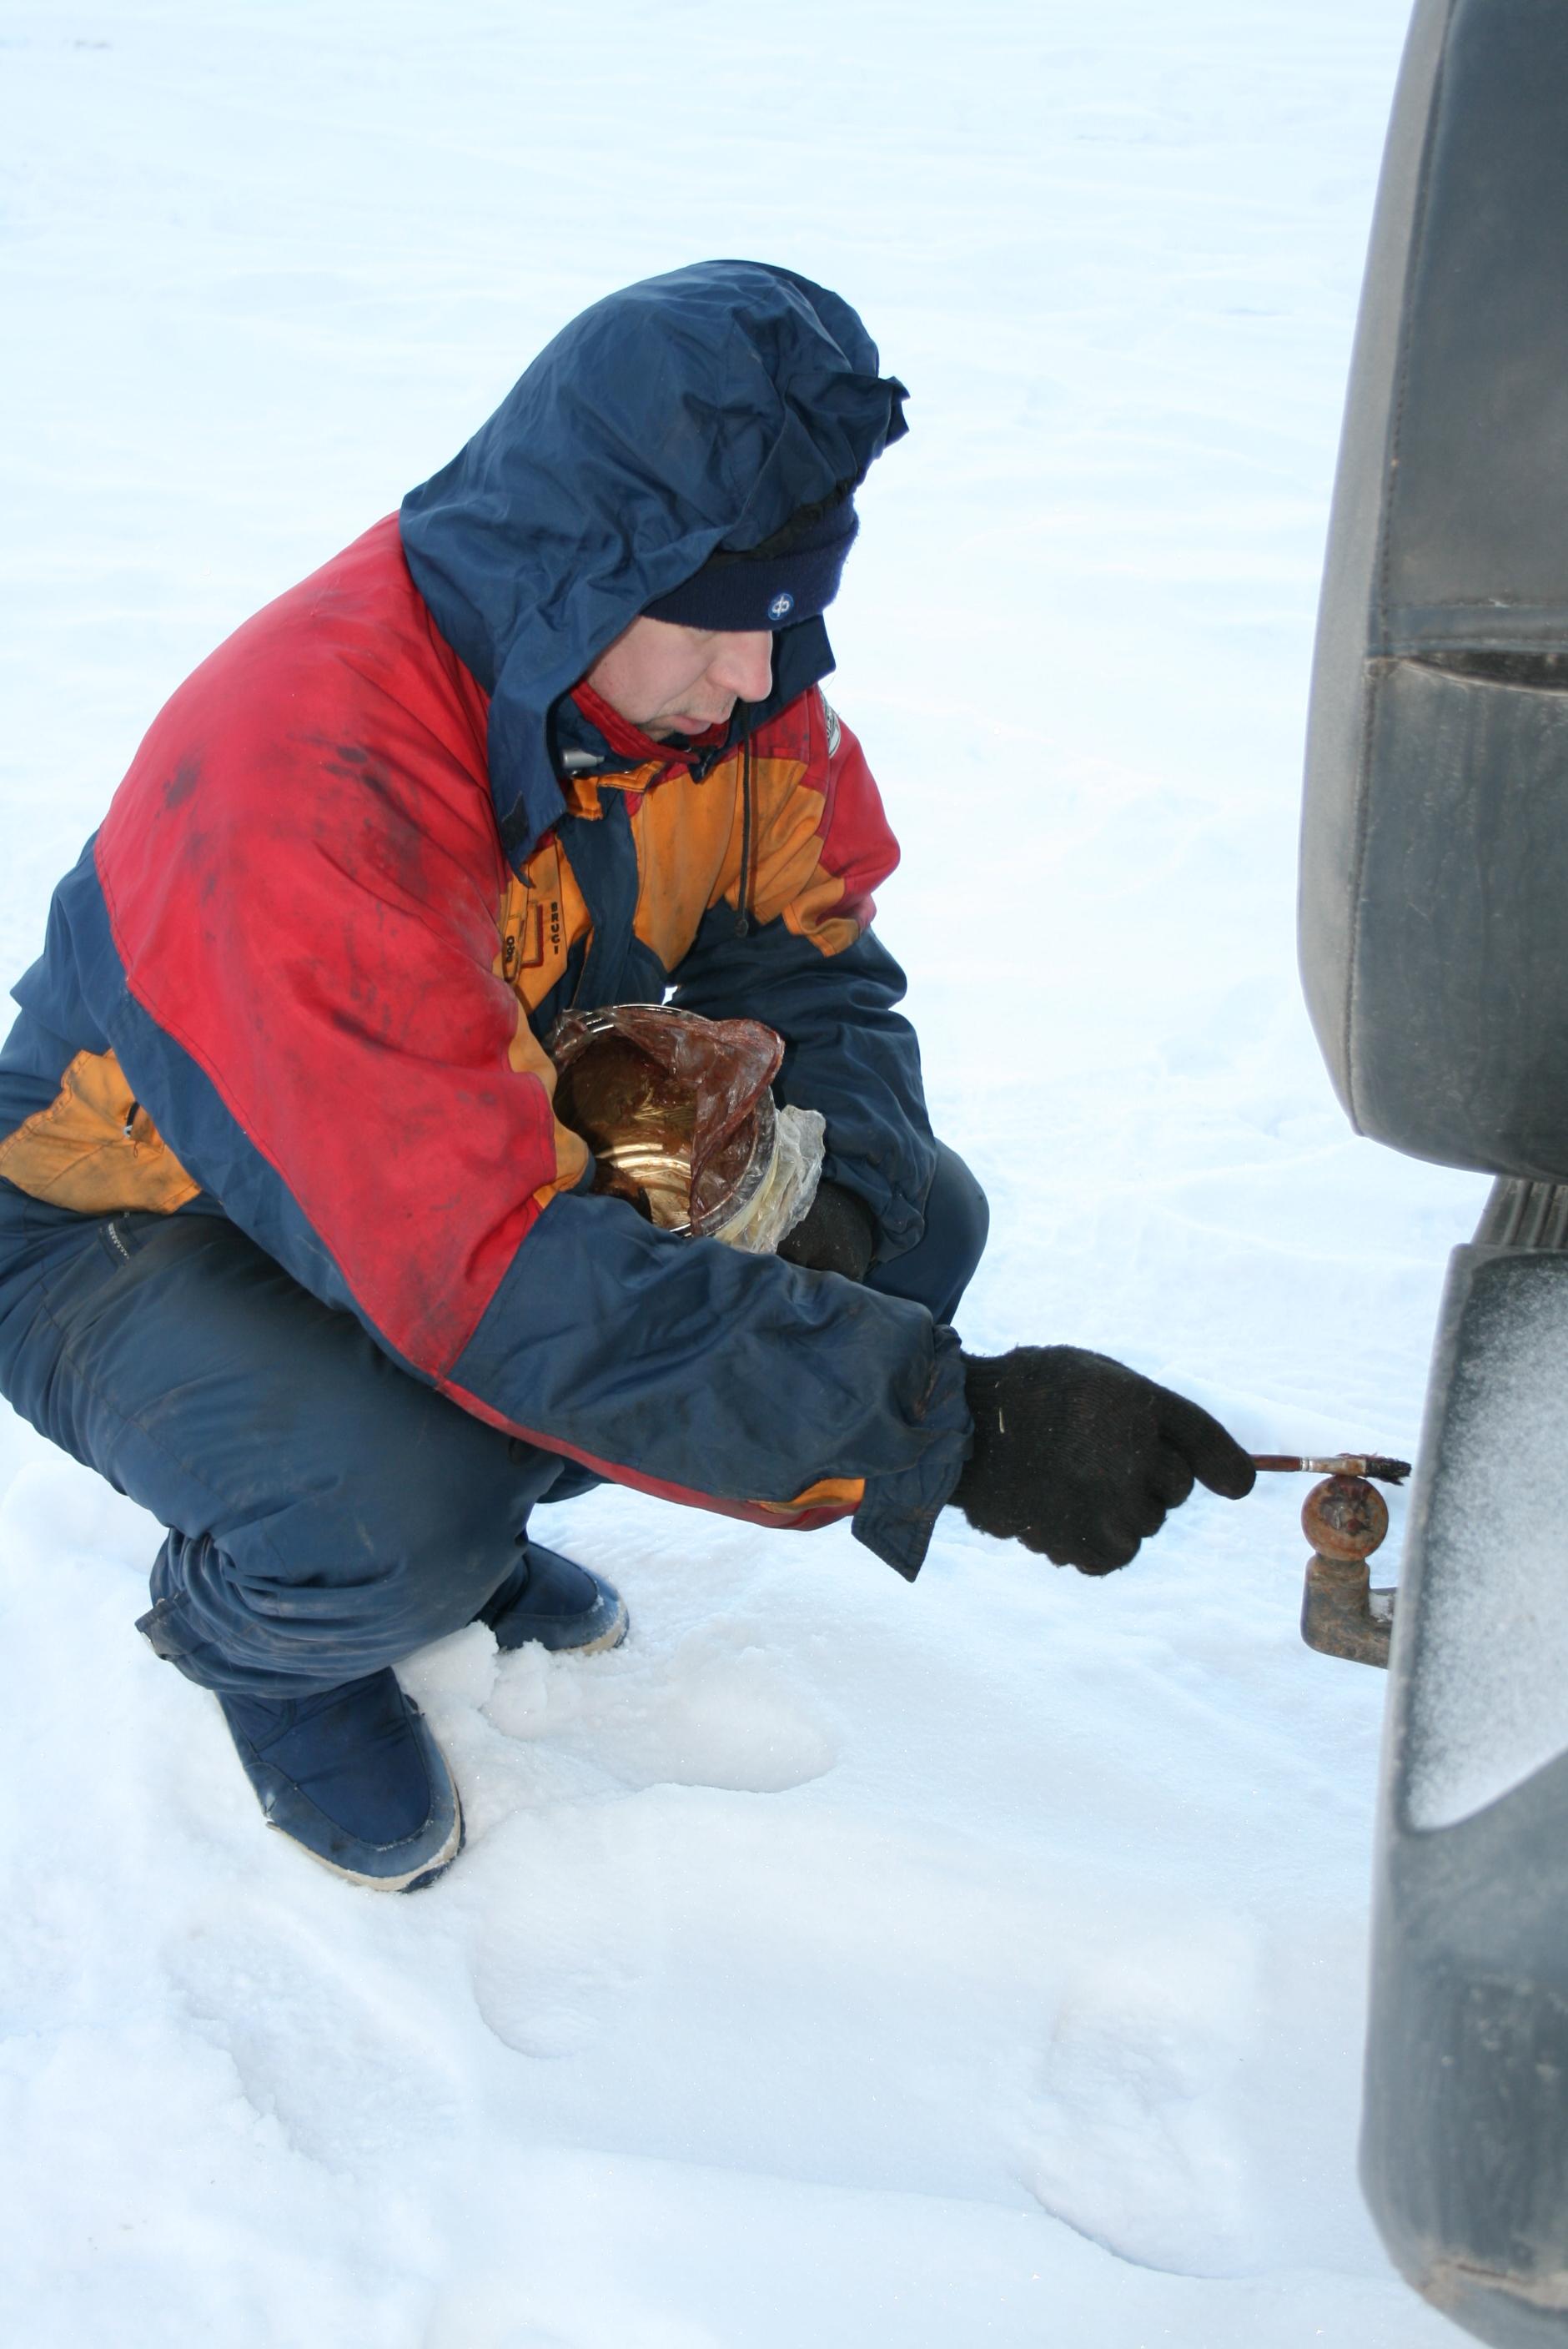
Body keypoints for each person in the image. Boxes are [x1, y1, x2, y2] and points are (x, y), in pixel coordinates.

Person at [0, 262, 1254, 1892]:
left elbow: (813, 972)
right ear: (591, 571)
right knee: (401, 1500)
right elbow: (494, 1283)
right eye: (732, 619)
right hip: (128, 1225)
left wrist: (835, 1232)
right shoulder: (307, 782)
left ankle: (461, 1525)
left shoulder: (708, 675)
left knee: (898, 1217)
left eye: (796, 607)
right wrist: (959, 1428)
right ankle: (288, 1630)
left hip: (440, 1157)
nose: (765, 678)